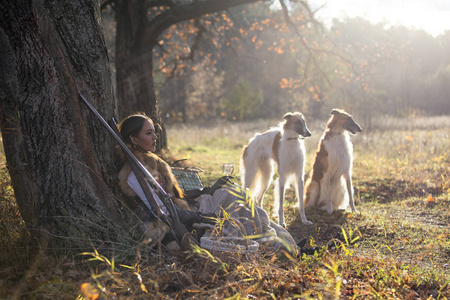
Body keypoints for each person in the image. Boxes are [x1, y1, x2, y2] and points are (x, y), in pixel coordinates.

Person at [116, 113, 330, 256]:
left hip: (191, 206)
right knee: (235, 205)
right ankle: (281, 249)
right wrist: (202, 217)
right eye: (148, 133)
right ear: (133, 139)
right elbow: (163, 210)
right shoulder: (135, 176)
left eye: (154, 131)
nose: (155, 136)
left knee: (236, 194)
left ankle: (289, 244)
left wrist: (208, 189)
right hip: (188, 217)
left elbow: (173, 194)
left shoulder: (152, 163)